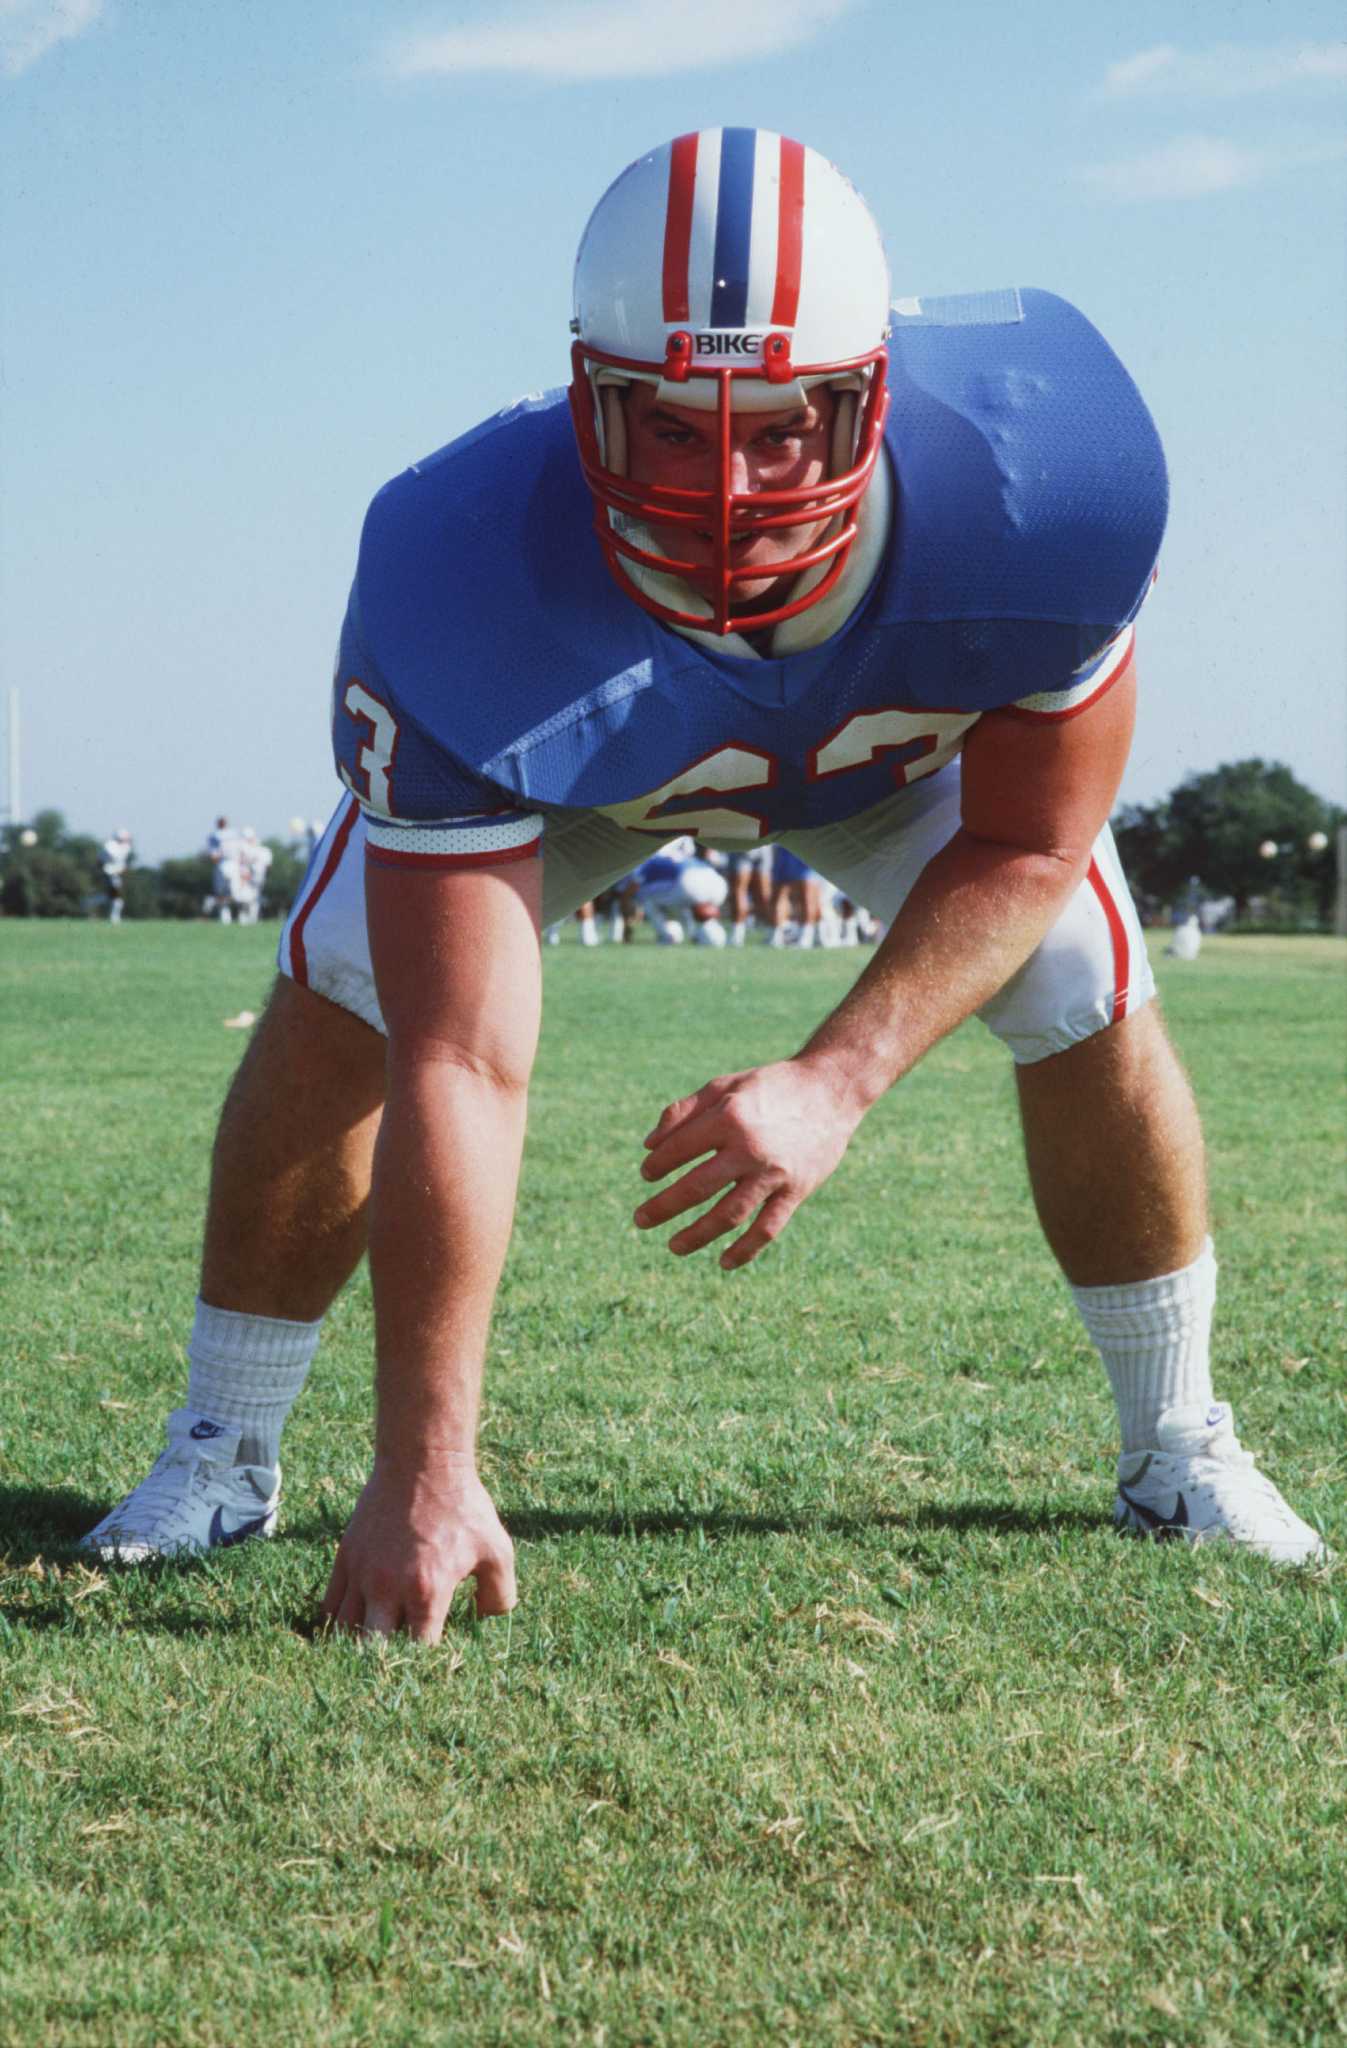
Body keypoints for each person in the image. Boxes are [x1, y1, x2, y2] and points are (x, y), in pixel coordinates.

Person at [83, 127, 1328, 1623]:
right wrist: (426, 1463)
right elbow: (465, 1060)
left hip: (897, 761)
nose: (724, 487)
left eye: (777, 427)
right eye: (668, 428)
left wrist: (833, 1078)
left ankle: (1173, 1439)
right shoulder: (456, 562)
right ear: (583, 396)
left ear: (866, 395)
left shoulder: (1051, 479)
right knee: (348, 975)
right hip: (592, 753)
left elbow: (1026, 840)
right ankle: (224, 1441)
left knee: (1077, 974)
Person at [100, 828, 133, 923]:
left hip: (117, 873)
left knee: (113, 898)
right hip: (110, 873)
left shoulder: (126, 847)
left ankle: (114, 917)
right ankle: (114, 917)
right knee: (116, 897)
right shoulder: (110, 845)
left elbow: (121, 862)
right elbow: (110, 860)